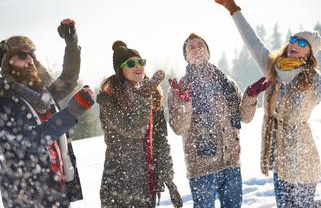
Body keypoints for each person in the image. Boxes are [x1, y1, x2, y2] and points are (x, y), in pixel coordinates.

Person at [215, 0, 321, 207]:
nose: (294, 44)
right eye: (293, 39)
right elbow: (252, 40)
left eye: (302, 42)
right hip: (279, 158)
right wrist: (234, 11)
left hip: (303, 158)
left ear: (309, 53)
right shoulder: (273, 67)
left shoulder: (314, 79)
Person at [0, 19, 95, 207]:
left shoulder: (43, 95)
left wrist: (71, 44)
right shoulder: (4, 100)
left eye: (32, 54)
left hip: (56, 186)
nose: (30, 59)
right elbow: (32, 139)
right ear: (6, 64)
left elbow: (68, 79)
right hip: (27, 194)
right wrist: (71, 113)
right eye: (22, 55)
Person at [168, 33, 267, 208]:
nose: (197, 49)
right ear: (186, 57)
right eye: (191, 47)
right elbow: (179, 128)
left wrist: (251, 96)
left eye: (201, 45)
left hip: (231, 165)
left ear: (208, 52)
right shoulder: (180, 88)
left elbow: (244, 117)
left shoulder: (226, 82)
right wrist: (185, 102)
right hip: (202, 170)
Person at [96, 40, 182, 208]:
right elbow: (133, 129)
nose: (138, 66)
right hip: (118, 186)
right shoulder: (108, 99)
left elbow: (160, 141)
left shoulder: (151, 96)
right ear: (120, 70)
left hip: (146, 183)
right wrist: (143, 98)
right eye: (131, 63)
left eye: (140, 61)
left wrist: (168, 179)